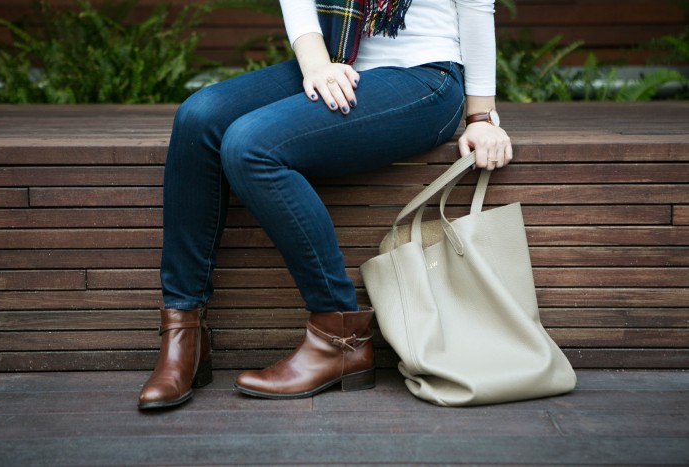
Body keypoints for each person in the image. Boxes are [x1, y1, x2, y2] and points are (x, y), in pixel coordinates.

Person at [138, 0, 513, 410]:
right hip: (337, 60)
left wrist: (480, 116)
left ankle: (340, 336)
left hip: (424, 77)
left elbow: (477, 7)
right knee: (198, 117)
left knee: (250, 146)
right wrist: (316, 64)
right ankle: (184, 333)